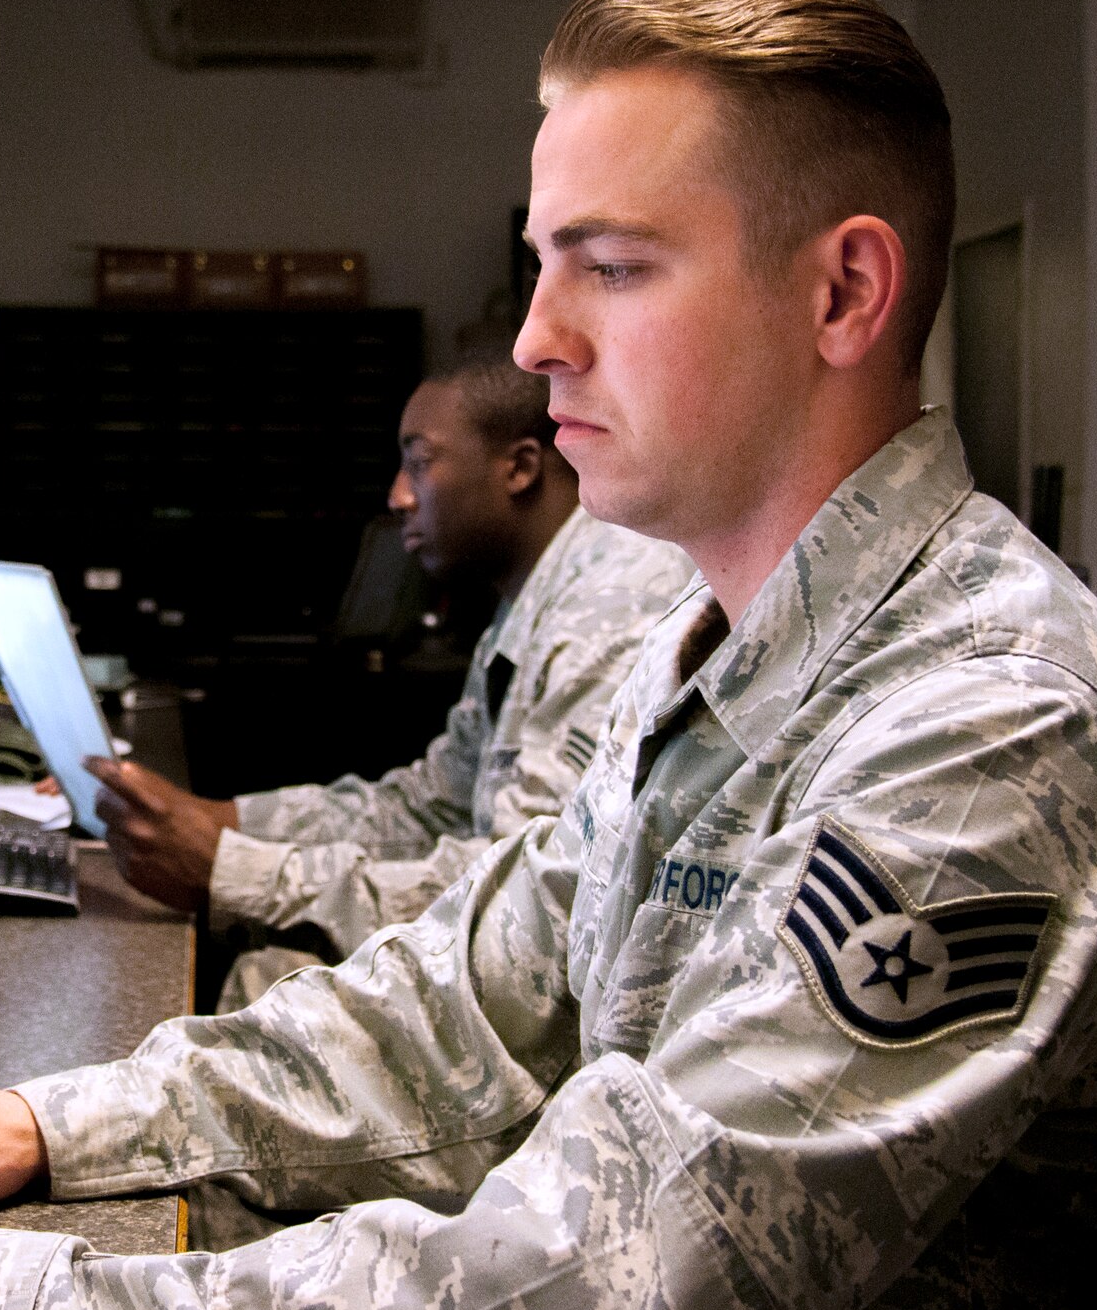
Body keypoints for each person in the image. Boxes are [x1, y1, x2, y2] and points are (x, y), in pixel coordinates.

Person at [0, 0, 1097, 1310]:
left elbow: (625, 1290)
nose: (538, 341)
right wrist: (55, 1122)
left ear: (844, 294)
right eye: (542, 267)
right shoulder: (716, 644)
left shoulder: (994, 716)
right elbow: (468, 1003)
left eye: (610, 267)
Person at [88, 351, 689, 1017]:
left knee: (274, 990)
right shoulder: (534, 601)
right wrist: (218, 821)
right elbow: (428, 805)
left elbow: (527, 900)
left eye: (420, 462)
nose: (398, 495)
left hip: (565, 1005)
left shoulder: (610, 609)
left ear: (519, 467)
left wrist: (236, 872)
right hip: (524, 974)